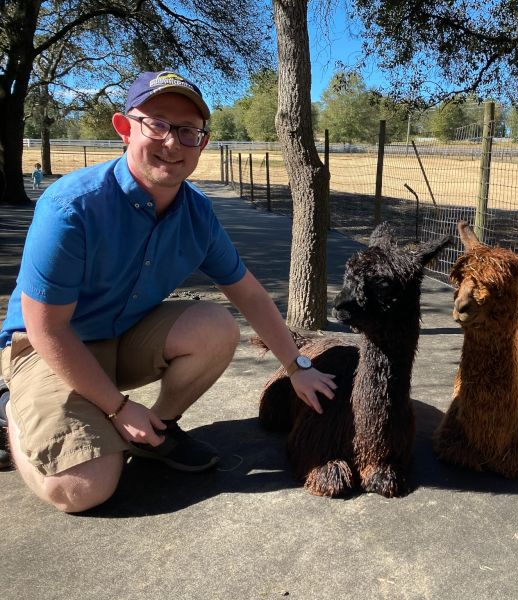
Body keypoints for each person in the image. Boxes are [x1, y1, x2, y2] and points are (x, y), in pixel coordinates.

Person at [0, 70, 337, 512]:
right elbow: (48, 329)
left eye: (188, 131)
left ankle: (157, 428)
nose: (173, 142)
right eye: (156, 123)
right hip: (49, 347)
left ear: (203, 141)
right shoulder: (72, 207)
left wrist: (297, 366)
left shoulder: (196, 213)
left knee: (216, 326)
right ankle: (10, 412)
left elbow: (250, 295)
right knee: (83, 489)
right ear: (124, 127)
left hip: (122, 337)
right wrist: (119, 409)